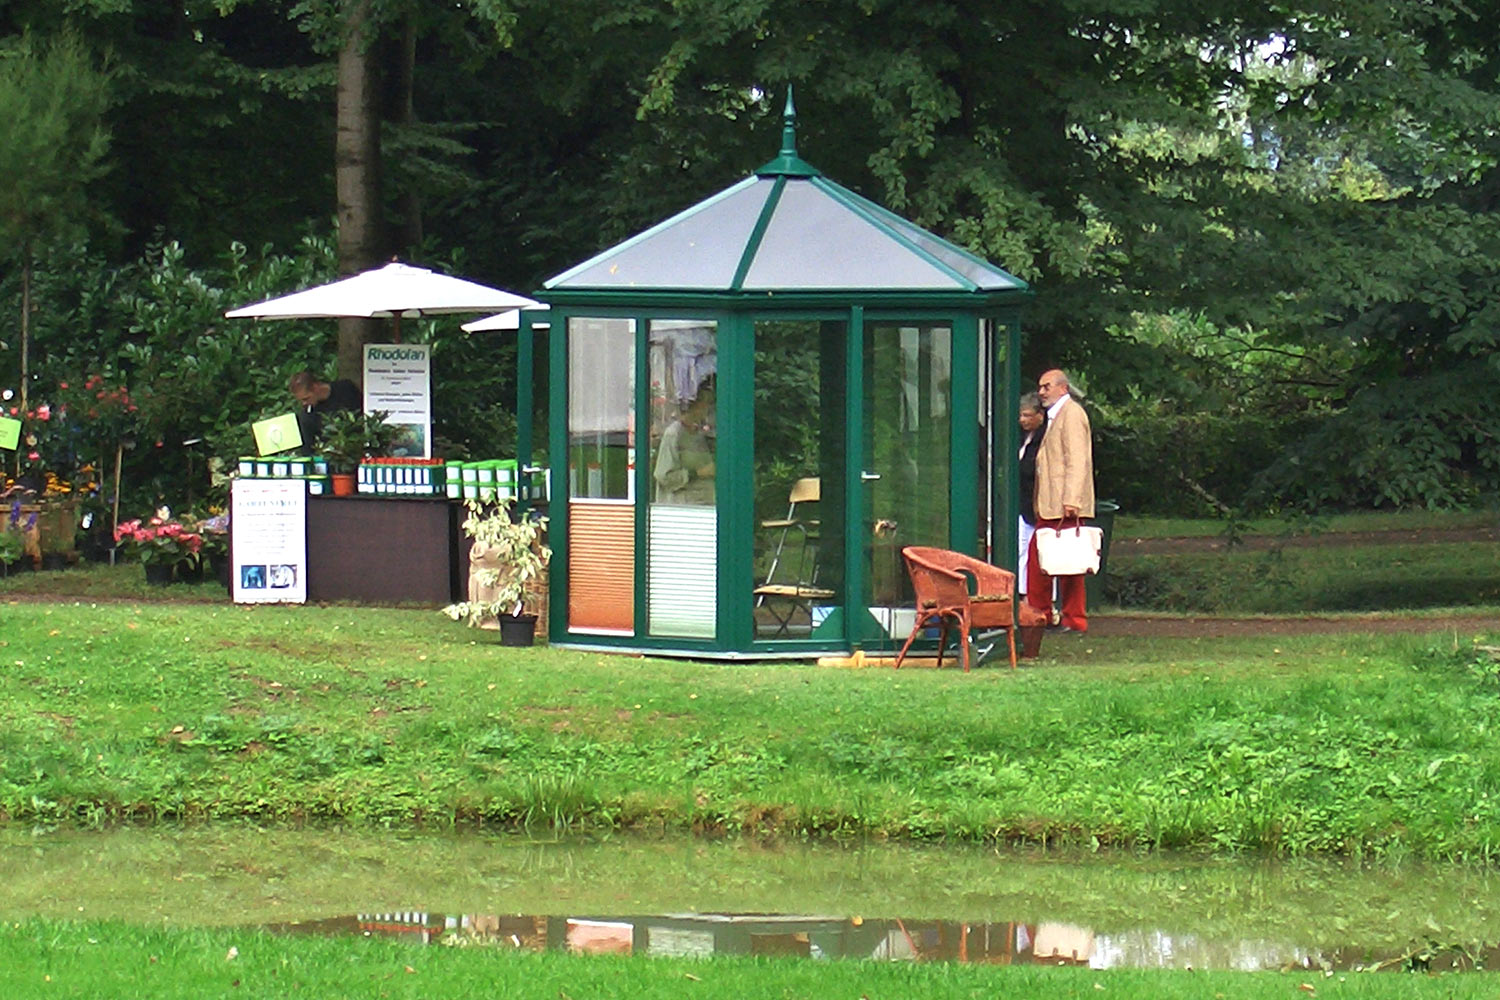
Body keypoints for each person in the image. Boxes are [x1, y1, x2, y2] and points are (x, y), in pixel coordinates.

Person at [1027, 368, 1095, 634]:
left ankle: (1065, 617)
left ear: (1062, 388)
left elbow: (1078, 460)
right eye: (1040, 387)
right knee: (1048, 561)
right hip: (1053, 503)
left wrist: (1072, 500)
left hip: (1063, 505)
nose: (1041, 392)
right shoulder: (1056, 417)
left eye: (1046, 387)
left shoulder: (1072, 415)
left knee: (1069, 563)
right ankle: (1049, 615)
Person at [653, 383, 715, 504]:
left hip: (704, 504)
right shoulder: (674, 434)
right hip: (683, 509)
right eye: (707, 404)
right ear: (696, 405)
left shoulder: (699, 434)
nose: (708, 409)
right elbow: (663, 476)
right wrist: (698, 473)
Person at [1017, 392, 1046, 598]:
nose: (1022, 420)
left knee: (1042, 552)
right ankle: (1022, 593)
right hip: (1021, 502)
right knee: (1021, 549)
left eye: (1028, 415)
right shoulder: (1020, 437)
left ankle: (1043, 597)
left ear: (1040, 415)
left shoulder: (1046, 438)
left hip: (1038, 502)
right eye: (1021, 416)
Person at [289, 370, 361, 446]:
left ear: (315, 387)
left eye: (306, 398)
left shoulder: (346, 389)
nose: (304, 403)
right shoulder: (307, 415)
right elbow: (308, 446)